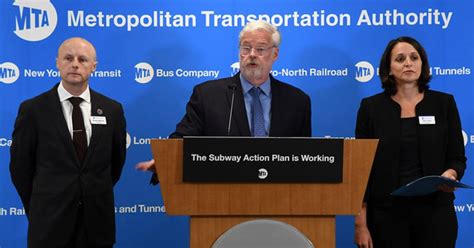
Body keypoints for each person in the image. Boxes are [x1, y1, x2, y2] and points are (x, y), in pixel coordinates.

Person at [136, 20, 312, 175]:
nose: (251, 54)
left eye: (260, 49)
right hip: (221, 194)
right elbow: (183, 139)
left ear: (275, 54)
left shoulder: (297, 101)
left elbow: (304, 157)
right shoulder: (207, 95)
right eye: (246, 47)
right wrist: (165, 161)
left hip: (280, 195)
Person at [10, 37, 127, 248]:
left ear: (94, 67)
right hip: (48, 224)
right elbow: (20, 168)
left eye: (82, 59)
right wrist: (40, 208)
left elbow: (115, 163)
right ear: (57, 62)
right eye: (68, 58)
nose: (75, 64)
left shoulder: (113, 110)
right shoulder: (33, 110)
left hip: (97, 225)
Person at [354, 36, 466, 248]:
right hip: (387, 215)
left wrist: (451, 174)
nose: (408, 63)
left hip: (436, 213)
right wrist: (361, 223)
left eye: (414, 57)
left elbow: (457, 157)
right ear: (388, 68)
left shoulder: (444, 103)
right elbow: (362, 169)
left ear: (422, 64)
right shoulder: (371, 108)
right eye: (400, 58)